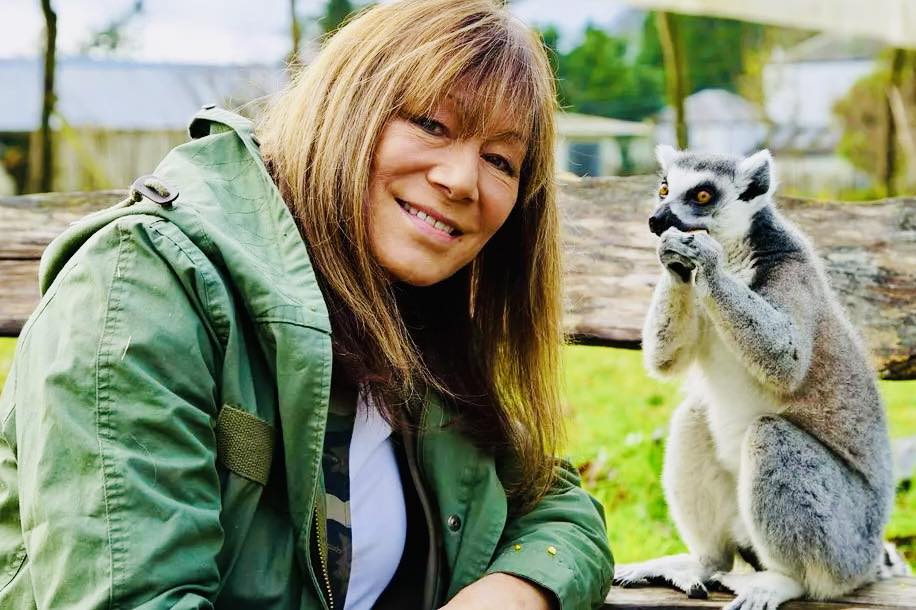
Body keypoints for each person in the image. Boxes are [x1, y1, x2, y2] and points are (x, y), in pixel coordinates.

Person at [0, 0, 613, 608]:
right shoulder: (144, 285)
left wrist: (515, 593)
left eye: (500, 160)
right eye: (431, 124)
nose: (461, 180)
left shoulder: (408, 321)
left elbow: (557, 506)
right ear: (346, 107)